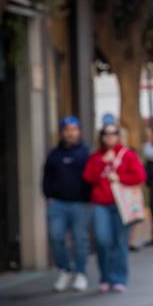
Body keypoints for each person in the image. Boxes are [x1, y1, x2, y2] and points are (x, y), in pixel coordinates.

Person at [83, 122, 146, 292]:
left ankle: (119, 278)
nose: (110, 137)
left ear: (118, 136)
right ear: (101, 137)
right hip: (100, 205)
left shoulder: (127, 155)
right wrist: (102, 164)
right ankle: (105, 276)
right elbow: (88, 178)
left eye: (113, 133)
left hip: (121, 206)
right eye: (106, 133)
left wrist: (119, 177)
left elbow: (140, 176)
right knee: (102, 240)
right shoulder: (96, 157)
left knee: (120, 241)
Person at [43, 116, 92, 292]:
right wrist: (49, 195)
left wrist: (88, 198)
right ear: (62, 132)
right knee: (56, 237)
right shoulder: (54, 154)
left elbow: (92, 177)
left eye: (74, 129)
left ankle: (80, 273)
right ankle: (65, 269)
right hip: (58, 204)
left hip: (80, 204)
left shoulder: (86, 152)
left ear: (79, 132)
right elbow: (47, 177)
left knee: (80, 240)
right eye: (67, 129)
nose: (70, 133)